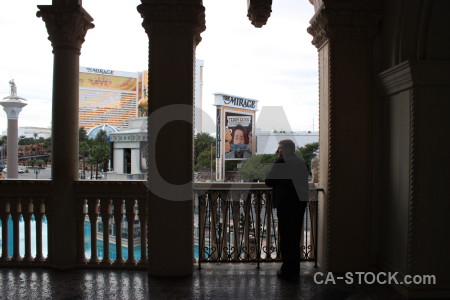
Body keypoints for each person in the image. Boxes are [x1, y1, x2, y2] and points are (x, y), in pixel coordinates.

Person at [265, 139, 309, 281]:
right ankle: (295, 271)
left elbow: (269, 181)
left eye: (280, 148)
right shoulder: (302, 163)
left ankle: (286, 271)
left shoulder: (281, 162)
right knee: (295, 238)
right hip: (299, 205)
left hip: (285, 205)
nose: (279, 151)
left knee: (286, 238)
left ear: (287, 149)